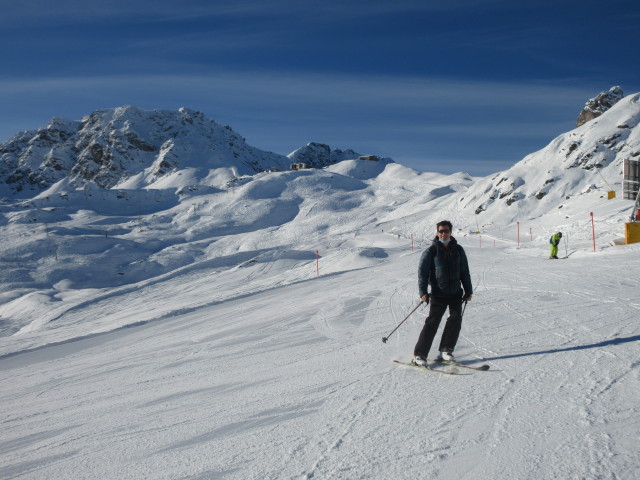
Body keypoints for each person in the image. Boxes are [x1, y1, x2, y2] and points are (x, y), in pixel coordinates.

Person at [413, 220, 473, 366]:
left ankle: (446, 350)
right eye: (441, 231)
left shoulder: (458, 250)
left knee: (455, 320)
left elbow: (464, 271)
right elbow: (422, 274)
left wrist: (468, 290)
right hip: (438, 293)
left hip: (455, 294)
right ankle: (419, 355)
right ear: (437, 233)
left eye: (446, 231)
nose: (443, 233)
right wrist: (423, 292)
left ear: (451, 232)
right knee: (432, 323)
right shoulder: (431, 251)